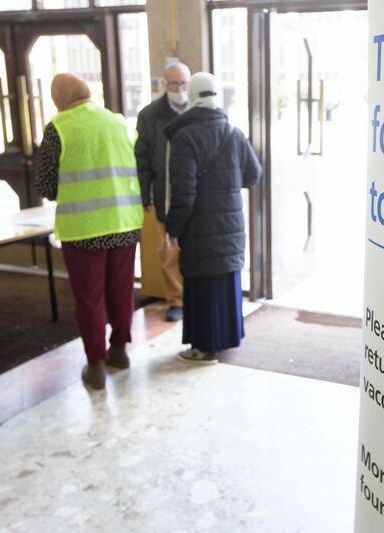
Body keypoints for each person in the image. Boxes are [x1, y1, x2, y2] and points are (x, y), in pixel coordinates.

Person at [35, 73, 144, 389]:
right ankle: (120, 351)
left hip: (83, 230)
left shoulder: (59, 128)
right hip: (124, 223)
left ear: (59, 98)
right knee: (121, 290)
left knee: (90, 299)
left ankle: (95, 365)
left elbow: (46, 186)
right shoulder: (118, 122)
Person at [164, 72, 262, 363]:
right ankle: (225, 340)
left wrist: (173, 228)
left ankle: (203, 347)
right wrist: (227, 182)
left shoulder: (184, 136)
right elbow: (253, 175)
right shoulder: (233, 132)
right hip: (230, 226)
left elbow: (184, 194)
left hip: (199, 226)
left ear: (192, 96)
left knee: (202, 285)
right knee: (225, 280)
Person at [135, 61, 191, 322]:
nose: (178, 88)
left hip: (195, 194)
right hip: (164, 193)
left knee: (195, 248)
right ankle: (176, 299)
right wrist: (144, 194)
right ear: (163, 85)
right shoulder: (150, 115)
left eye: (182, 82)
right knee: (169, 251)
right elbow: (142, 158)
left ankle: (196, 295)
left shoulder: (199, 111)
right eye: (173, 83)